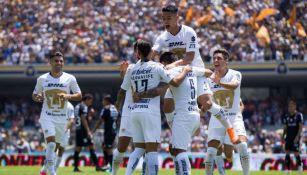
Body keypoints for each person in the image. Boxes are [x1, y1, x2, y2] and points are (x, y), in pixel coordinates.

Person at [150, 3, 238, 145]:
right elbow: (152, 52)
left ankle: (230, 130)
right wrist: (143, 61)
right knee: (167, 106)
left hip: (196, 72)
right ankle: (177, 130)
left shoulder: (189, 32)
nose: (166, 21)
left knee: (208, 104)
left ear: (177, 18)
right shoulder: (162, 37)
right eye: (163, 18)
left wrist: (169, 65)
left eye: (169, 18)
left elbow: (189, 58)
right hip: (180, 74)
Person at [116, 40, 191, 175]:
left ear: (138, 53)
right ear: (151, 52)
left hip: (135, 111)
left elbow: (122, 91)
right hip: (150, 112)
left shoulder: (132, 69)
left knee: (138, 149)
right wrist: (185, 71)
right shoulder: (157, 67)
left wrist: (117, 108)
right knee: (152, 150)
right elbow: (175, 83)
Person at [32, 51, 82, 175]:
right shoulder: (42, 79)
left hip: (61, 118)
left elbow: (79, 95)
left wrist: (67, 96)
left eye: (61, 61)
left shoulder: (70, 78)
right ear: (50, 62)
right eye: (56, 61)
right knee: (51, 144)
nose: (59, 63)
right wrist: (37, 97)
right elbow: (35, 94)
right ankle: (52, 171)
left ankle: (44, 169)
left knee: (54, 147)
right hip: (47, 116)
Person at [205, 48, 250, 175]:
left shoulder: (235, 74)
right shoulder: (208, 79)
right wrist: (201, 110)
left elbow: (234, 85)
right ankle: (220, 172)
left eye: (219, 58)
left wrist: (219, 82)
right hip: (217, 118)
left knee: (242, 146)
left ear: (226, 61)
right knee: (210, 153)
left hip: (233, 117)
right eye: (214, 58)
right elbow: (207, 99)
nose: (215, 60)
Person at [40, 102, 75, 175]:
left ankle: (52, 169)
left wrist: (64, 129)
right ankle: (47, 169)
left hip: (65, 131)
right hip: (55, 129)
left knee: (61, 150)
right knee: (53, 149)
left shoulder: (70, 106)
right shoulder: (55, 103)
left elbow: (71, 121)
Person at [73, 93, 104, 172]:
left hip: (78, 129)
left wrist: (89, 114)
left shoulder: (77, 106)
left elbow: (81, 117)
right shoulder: (84, 107)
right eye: (90, 101)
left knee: (78, 148)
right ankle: (97, 166)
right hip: (83, 131)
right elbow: (83, 118)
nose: (91, 103)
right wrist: (88, 131)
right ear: (86, 99)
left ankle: (76, 167)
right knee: (91, 146)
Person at [214, 99, 245, 175]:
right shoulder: (214, 89)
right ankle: (222, 173)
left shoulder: (233, 89)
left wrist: (238, 114)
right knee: (217, 146)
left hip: (230, 123)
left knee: (228, 154)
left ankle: (230, 151)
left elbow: (241, 105)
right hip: (217, 121)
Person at [93, 94, 119, 172]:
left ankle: (111, 167)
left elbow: (100, 120)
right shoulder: (115, 108)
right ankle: (107, 164)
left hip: (109, 131)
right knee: (104, 146)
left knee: (109, 148)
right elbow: (118, 118)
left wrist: (94, 129)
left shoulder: (106, 108)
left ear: (107, 101)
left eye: (103, 100)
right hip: (113, 130)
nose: (102, 102)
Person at [282, 98, 304, 173]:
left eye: (291, 106)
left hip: (295, 137)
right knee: (287, 152)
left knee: (296, 152)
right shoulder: (286, 116)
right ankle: (288, 169)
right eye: (289, 106)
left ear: (295, 106)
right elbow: (285, 127)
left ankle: (300, 166)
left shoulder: (299, 115)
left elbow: (301, 127)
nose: (289, 107)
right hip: (288, 137)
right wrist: (283, 136)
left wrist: (298, 137)